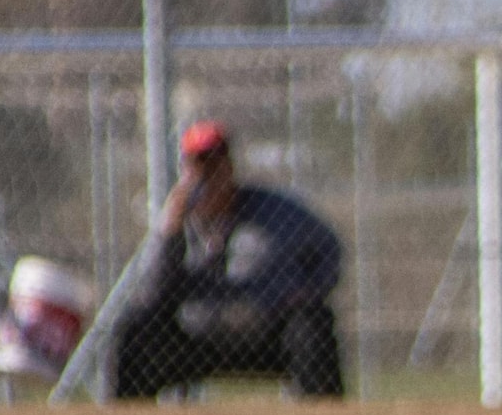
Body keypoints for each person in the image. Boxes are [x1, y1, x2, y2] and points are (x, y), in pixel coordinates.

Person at [110, 120, 345, 399]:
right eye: (198, 167)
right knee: (136, 328)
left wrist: (311, 291)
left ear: (229, 167)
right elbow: (153, 292)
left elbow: (329, 247)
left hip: (268, 336)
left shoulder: (276, 214)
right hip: (193, 340)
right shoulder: (176, 222)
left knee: (313, 322)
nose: (207, 177)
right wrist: (171, 230)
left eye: (214, 166)